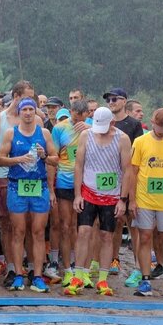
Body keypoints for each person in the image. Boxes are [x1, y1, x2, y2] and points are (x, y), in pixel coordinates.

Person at [65, 107, 133, 296]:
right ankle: (78, 275)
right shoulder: (86, 135)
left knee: (106, 236)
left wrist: (123, 200)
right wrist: (77, 194)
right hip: (88, 192)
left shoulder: (122, 139)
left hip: (111, 195)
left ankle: (102, 280)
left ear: (112, 123)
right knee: (83, 232)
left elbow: (127, 170)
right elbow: (79, 165)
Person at [0, 97, 58, 293]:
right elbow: (0, 159)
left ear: (36, 112)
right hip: (17, 186)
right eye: (25, 110)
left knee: (38, 232)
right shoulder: (11, 133)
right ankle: (18, 274)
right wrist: (19, 159)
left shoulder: (44, 133)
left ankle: (37, 275)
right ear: (20, 113)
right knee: (18, 232)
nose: (28, 113)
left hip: (39, 187)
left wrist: (44, 156)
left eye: (31, 109)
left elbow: (56, 159)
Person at [0, 80, 41, 287]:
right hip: (6, 177)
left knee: (31, 225)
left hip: (33, 178)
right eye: (28, 97)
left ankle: (32, 267)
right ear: (16, 96)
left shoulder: (37, 118)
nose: (31, 102)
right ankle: (12, 267)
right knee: (8, 225)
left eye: (33, 99)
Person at [130, 108, 163, 298]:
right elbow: (133, 172)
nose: (162, 131)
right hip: (144, 199)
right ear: (152, 122)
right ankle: (145, 280)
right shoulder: (140, 142)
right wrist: (131, 200)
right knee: (145, 237)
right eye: (159, 127)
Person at [103, 88, 143, 283]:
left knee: (133, 221)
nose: (111, 102)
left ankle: (139, 265)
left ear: (124, 101)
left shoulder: (134, 125)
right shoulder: (105, 122)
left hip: (129, 176)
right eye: (108, 100)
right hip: (110, 178)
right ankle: (114, 259)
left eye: (114, 99)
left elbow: (137, 155)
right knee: (115, 222)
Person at [49, 100, 90, 286]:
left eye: (81, 118)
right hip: (65, 181)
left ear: (87, 115)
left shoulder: (92, 128)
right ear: (70, 111)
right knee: (66, 225)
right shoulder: (59, 128)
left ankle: (77, 265)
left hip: (86, 182)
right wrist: (51, 188)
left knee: (80, 227)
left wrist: (88, 130)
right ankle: (66, 268)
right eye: (74, 117)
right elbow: (53, 158)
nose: (77, 121)